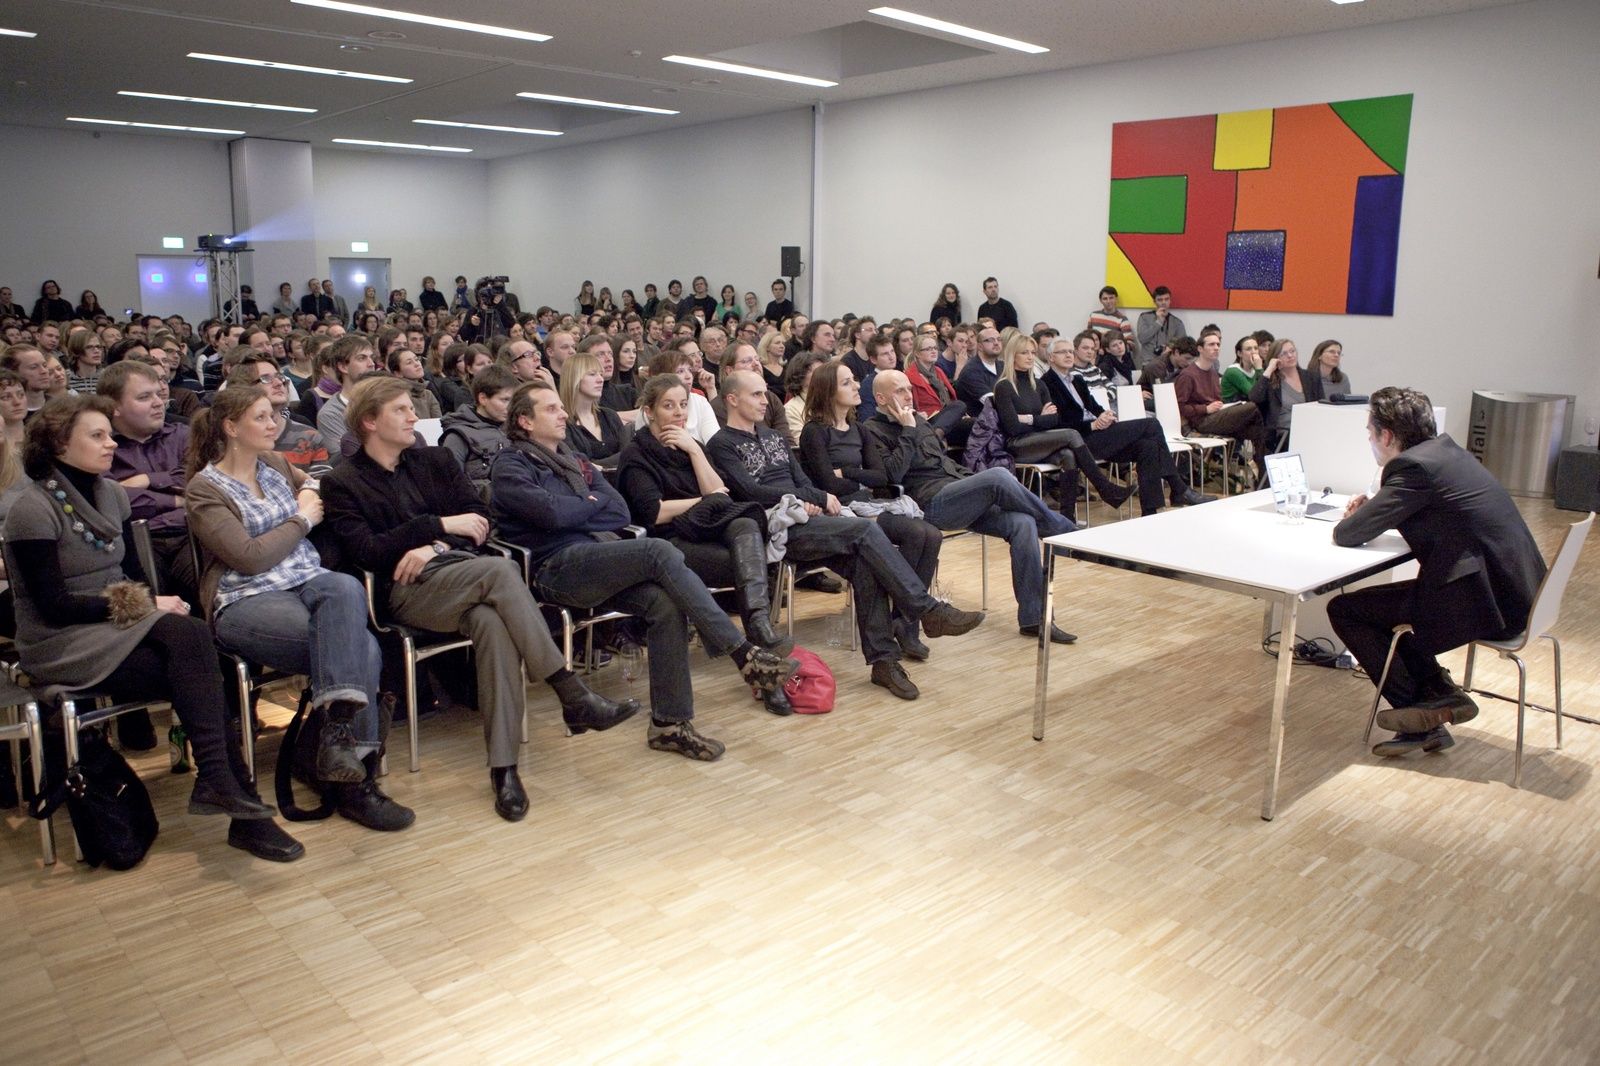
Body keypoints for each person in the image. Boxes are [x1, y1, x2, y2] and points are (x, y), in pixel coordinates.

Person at [321, 377, 637, 821]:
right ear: (370, 422)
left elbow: (480, 519)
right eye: (401, 410)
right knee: (502, 571)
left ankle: (504, 769)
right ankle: (570, 691)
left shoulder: (434, 461)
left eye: (412, 407)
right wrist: (438, 525)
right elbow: (368, 551)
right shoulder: (343, 482)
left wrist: (435, 545)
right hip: (408, 592)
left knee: (492, 622)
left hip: (462, 571)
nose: (414, 417)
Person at [5, 395, 293, 859]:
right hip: (60, 641)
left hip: (117, 627)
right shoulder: (31, 509)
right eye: (97, 436)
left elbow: (135, 577)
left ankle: (227, 790)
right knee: (197, 662)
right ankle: (232, 795)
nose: (110, 443)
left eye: (109, 433)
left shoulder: (112, 494)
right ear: (59, 444)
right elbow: (53, 606)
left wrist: (142, 603)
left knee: (195, 649)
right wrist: (142, 605)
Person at [491, 385, 797, 752]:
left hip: (598, 557)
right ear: (525, 421)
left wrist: (579, 506)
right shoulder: (511, 465)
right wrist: (590, 503)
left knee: (664, 603)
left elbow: (619, 511)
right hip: (554, 569)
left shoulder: (576, 460)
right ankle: (743, 654)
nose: (563, 414)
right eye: (552, 409)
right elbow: (552, 514)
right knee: (657, 550)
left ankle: (669, 725)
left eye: (561, 407)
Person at [184, 386, 413, 832]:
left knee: (344, 585)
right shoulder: (204, 490)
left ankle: (336, 742)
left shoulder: (272, 464)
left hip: (306, 579)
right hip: (247, 596)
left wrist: (308, 492)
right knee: (363, 648)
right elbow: (249, 557)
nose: (274, 424)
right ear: (231, 428)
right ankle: (354, 780)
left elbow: (314, 484)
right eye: (262, 417)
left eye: (273, 415)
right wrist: (303, 518)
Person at [707, 370, 983, 700]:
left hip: (811, 520)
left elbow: (803, 481)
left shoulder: (773, 437)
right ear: (732, 399)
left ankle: (884, 662)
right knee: (865, 529)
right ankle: (926, 610)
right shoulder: (721, 444)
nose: (765, 401)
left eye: (765, 393)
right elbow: (749, 491)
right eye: (756, 394)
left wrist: (814, 498)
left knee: (866, 564)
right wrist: (811, 498)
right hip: (776, 526)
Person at [1329, 387, 1546, 757]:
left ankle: (1419, 711)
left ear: (1386, 436)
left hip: (1489, 603)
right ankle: (1439, 694)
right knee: (1389, 611)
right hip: (1520, 592)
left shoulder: (1411, 468)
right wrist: (1378, 508)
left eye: (1370, 432)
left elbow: (1347, 534)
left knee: (1346, 610)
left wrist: (1364, 514)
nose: (1369, 440)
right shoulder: (1447, 453)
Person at [861, 370, 1078, 643]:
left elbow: (944, 463)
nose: (908, 395)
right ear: (881, 398)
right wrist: (908, 430)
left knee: (1023, 523)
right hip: (929, 504)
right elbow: (891, 475)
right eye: (899, 390)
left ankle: (1034, 618)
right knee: (998, 476)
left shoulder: (918, 420)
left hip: (957, 494)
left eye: (908, 388)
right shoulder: (872, 430)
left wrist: (973, 483)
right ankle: (1066, 534)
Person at [616, 375, 795, 670]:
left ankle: (759, 628)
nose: (679, 413)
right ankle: (754, 641)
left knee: (745, 524)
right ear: (649, 411)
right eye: (668, 406)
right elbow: (656, 512)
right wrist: (704, 501)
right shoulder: (636, 454)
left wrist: (695, 450)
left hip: (704, 528)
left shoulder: (692, 444)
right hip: (667, 541)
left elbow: (717, 490)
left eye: (683, 404)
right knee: (747, 563)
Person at [798, 361, 950, 661]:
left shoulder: (858, 429)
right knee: (915, 533)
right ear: (828, 391)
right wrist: (857, 478)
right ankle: (908, 622)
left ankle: (904, 622)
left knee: (931, 535)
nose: (857, 386)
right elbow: (828, 483)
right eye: (847, 382)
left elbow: (882, 477)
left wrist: (848, 472)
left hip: (868, 501)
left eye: (854, 380)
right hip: (839, 509)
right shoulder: (814, 432)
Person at [1039, 338, 1211, 516]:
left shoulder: (1077, 380)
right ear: (1051, 357)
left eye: (1070, 351)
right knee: (1151, 424)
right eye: (1062, 352)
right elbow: (1057, 422)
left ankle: (1150, 510)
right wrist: (1092, 425)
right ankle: (1178, 488)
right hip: (1080, 440)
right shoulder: (1046, 383)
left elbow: (1095, 407)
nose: (1068, 355)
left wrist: (1106, 414)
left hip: (1100, 433)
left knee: (1148, 446)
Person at [1173, 328, 1270, 480]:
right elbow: (1178, 407)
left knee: (1261, 432)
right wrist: (1205, 408)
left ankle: (1264, 479)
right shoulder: (1188, 375)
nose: (1216, 348)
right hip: (1201, 421)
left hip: (1217, 416)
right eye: (1211, 345)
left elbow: (1217, 400)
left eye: (1218, 344)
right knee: (1254, 406)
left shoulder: (1212, 372)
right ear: (1200, 349)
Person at [440, 364, 516, 496]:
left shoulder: (515, 428)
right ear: (483, 399)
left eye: (513, 401)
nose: (510, 407)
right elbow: (450, 484)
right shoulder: (458, 436)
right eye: (504, 400)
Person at [1249, 338, 1324, 447]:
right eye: (1284, 353)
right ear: (1275, 358)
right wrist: (1269, 369)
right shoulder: (1271, 381)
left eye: (1292, 351)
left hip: (1309, 428)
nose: (1290, 355)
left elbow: (1321, 405)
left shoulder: (1311, 377)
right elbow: (1255, 397)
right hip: (1283, 434)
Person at [558, 352, 628, 466]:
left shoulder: (609, 415)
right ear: (574, 378)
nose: (600, 379)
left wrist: (597, 465)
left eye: (601, 374)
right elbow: (578, 464)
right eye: (592, 374)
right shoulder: (562, 422)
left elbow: (628, 454)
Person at [316, 334, 377, 453]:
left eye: (371, 357)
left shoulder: (386, 399)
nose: (371, 363)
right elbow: (347, 456)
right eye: (362, 358)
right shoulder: (330, 414)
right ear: (343, 367)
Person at [904, 330, 968, 441]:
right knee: (960, 405)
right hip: (927, 420)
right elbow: (906, 406)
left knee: (975, 423)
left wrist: (961, 414)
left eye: (935, 348)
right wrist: (916, 414)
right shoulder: (909, 376)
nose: (933, 351)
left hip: (946, 419)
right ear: (917, 353)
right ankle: (935, 436)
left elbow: (950, 400)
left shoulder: (938, 371)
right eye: (928, 349)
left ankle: (936, 435)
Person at [954, 324, 1004, 416]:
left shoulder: (1003, 366)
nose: (996, 343)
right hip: (981, 421)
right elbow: (992, 403)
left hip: (1004, 417)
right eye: (990, 340)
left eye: (999, 339)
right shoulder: (971, 372)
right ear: (980, 346)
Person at [1135, 286, 1187, 363]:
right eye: (1160, 300)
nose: (1163, 302)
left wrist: (1170, 348)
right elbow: (1142, 339)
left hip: (1169, 362)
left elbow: (1183, 344)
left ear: (1170, 301)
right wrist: (1158, 322)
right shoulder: (1144, 317)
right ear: (1154, 301)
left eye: (1166, 299)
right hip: (1148, 362)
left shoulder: (1177, 322)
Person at [388, 346, 443, 419]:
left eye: (416, 359)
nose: (417, 364)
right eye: (409, 362)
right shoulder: (397, 397)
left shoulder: (428, 394)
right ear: (398, 373)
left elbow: (438, 422)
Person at [1087, 286, 1139, 361]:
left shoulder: (1122, 319)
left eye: (1111, 298)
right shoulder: (1094, 315)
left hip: (1112, 359)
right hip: (1094, 357)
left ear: (1116, 299)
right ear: (1100, 301)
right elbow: (1088, 337)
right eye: (1105, 299)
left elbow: (1130, 344)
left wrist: (1112, 349)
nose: (1108, 301)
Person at [1221, 335, 1264, 403]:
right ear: (1239, 353)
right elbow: (1254, 395)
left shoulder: (1255, 369)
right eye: (1248, 349)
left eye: (1256, 348)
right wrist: (1259, 368)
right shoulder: (1233, 371)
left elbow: (1266, 392)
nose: (1254, 352)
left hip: (1247, 406)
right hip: (1231, 406)